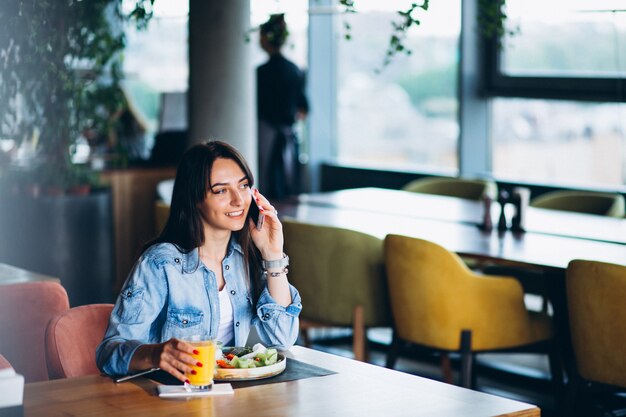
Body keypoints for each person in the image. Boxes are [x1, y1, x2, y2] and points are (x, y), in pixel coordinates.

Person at [96, 140, 302, 382]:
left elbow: (282, 339)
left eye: (243, 185)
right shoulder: (161, 264)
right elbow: (108, 353)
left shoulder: (246, 256)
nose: (238, 200)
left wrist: (272, 254)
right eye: (221, 190)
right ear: (194, 198)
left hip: (228, 397)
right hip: (169, 399)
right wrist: (155, 354)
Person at [257, 13, 309, 199]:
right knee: (287, 187)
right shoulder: (294, 70)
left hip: (267, 137)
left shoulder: (261, 73)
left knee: (267, 184)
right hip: (288, 136)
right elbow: (303, 108)